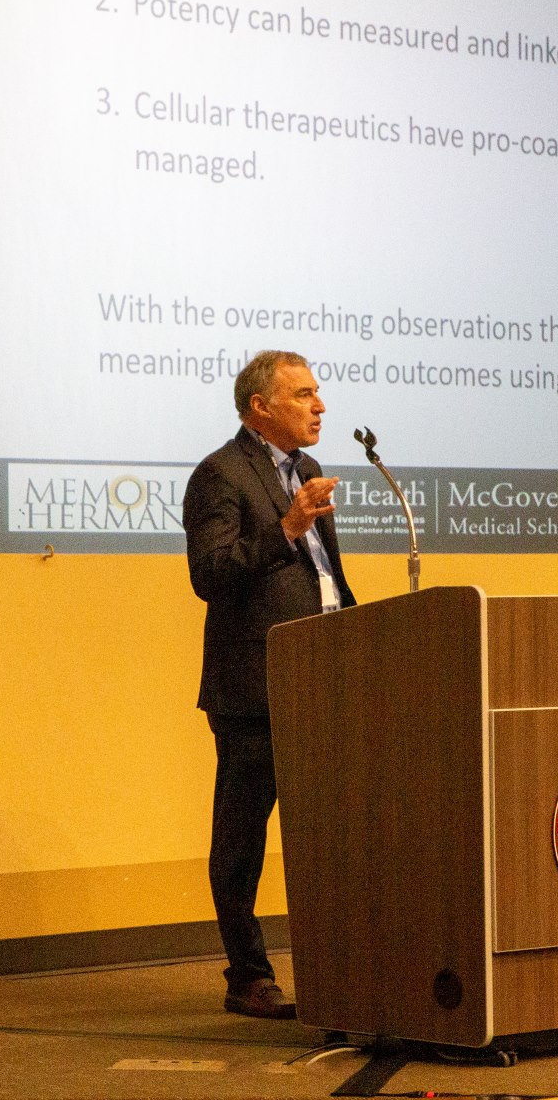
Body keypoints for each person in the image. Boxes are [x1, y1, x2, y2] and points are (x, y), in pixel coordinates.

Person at [183, 349, 356, 1019]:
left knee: (334, 833)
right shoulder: (220, 474)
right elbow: (210, 574)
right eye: (303, 394)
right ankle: (248, 976)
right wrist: (286, 527)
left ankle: (342, 964)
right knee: (241, 840)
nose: (320, 405)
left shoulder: (306, 471)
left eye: (317, 392)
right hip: (254, 686)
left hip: (323, 677)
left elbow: (324, 577)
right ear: (260, 406)